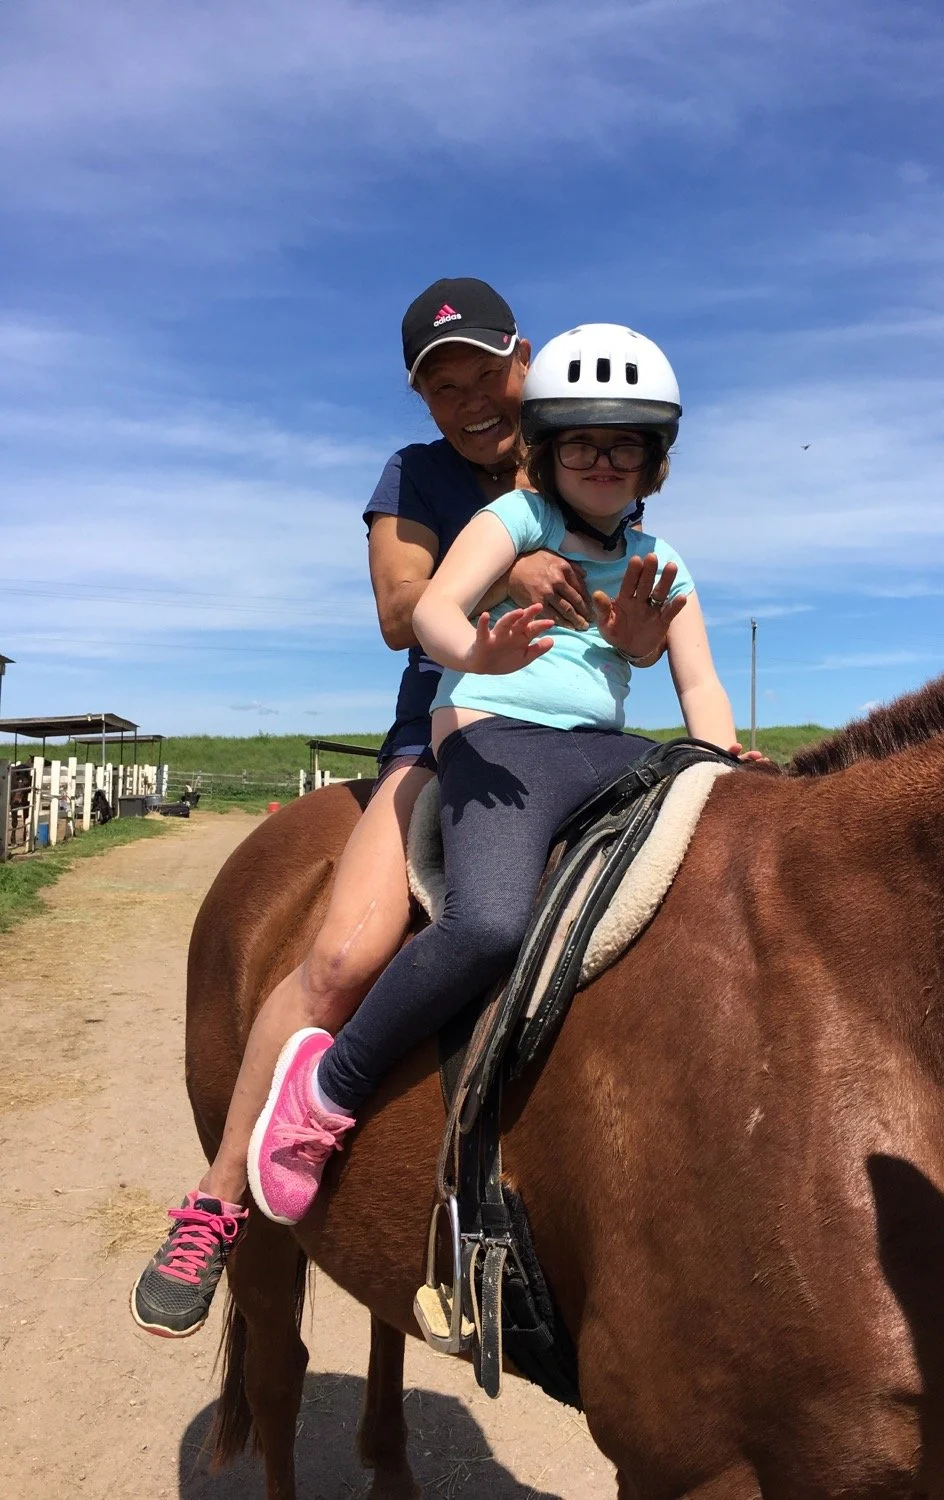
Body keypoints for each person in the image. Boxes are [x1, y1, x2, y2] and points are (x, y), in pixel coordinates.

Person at [130, 283, 672, 1338]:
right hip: (446, 739)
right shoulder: (414, 478)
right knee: (343, 955)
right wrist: (510, 565)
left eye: (484, 375)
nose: (469, 401)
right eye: (443, 388)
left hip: (584, 749)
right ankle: (218, 1199)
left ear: (526, 363)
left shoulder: (587, 454)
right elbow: (396, 610)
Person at [244, 323, 754, 1227]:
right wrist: (477, 650)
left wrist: (721, 759)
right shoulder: (512, 522)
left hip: (601, 745)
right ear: (549, 450)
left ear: (653, 460)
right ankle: (330, 1086)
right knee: (485, 923)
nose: (604, 460)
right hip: (493, 727)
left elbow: (698, 679)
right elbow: (434, 606)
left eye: (625, 443)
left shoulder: (662, 562)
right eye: (584, 442)